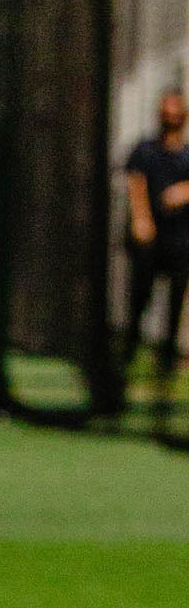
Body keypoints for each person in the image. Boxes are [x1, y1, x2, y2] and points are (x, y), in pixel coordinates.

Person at [122, 88, 189, 391]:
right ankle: (128, 352)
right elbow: (135, 182)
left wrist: (183, 191)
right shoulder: (145, 150)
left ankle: (166, 362)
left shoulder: (187, 155)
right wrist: (141, 218)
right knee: (141, 295)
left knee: (176, 299)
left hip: (180, 239)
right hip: (150, 239)